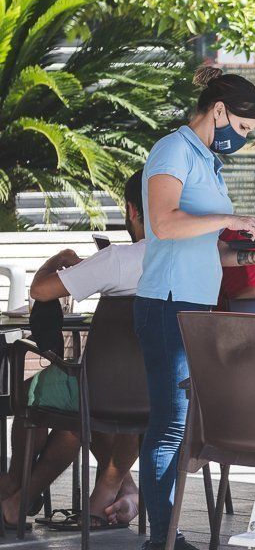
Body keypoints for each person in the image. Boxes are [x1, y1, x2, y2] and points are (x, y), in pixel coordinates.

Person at [134, 66, 255, 550]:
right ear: (219, 110)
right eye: (243, 128)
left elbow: (203, 247)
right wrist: (231, 216)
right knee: (169, 423)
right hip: (167, 302)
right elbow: (163, 225)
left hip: (196, 303)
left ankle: (166, 534)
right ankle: (162, 539)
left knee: (179, 423)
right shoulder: (173, 149)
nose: (242, 138)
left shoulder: (205, 159)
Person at [0, 171, 147, 530]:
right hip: (160, 392)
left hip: (99, 391)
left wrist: (58, 259)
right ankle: (123, 490)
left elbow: (40, 292)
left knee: (49, 396)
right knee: (88, 405)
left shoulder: (117, 260)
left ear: (131, 210)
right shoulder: (198, 263)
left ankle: (16, 491)